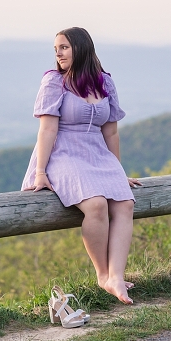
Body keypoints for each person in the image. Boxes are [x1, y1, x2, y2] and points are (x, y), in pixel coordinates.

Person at [22, 27, 141, 305]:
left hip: (98, 154)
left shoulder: (105, 83)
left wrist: (118, 174)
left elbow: (110, 133)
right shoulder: (54, 82)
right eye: (56, 49)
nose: (58, 54)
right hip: (63, 153)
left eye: (64, 47)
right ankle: (103, 275)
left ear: (81, 48)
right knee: (97, 204)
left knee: (125, 203)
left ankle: (116, 275)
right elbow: (47, 130)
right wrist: (40, 172)